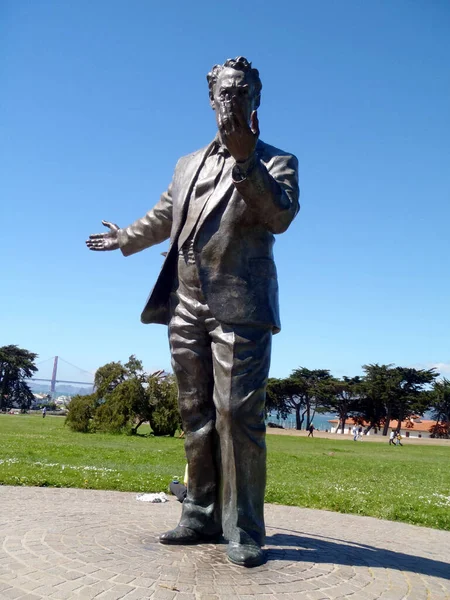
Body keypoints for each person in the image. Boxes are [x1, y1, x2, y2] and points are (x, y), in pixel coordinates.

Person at [86, 57, 299, 568]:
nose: (232, 99)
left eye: (242, 91)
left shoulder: (277, 160)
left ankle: (245, 527)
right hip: (186, 302)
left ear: (257, 99)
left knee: (238, 415)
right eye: (224, 92)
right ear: (211, 99)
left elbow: (280, 215)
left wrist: (247, 163)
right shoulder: (186, 163)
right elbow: (166, 213)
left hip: (240, 305)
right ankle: (201, 512)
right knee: (196, 412)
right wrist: (125, 239)